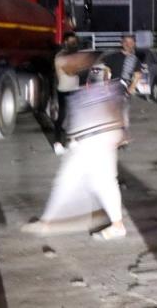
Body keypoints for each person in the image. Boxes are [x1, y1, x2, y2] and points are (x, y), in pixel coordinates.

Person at [22, 63, 128, 240]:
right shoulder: (94, 92)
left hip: (97, 142)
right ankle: (47, 222)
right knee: (75, 181)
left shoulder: (108, 92)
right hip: (89, 143)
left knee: (90, 183)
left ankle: (116, 226)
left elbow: (117, 118)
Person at [100, 34, 142, 138]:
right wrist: (106, 87)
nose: (129, 45)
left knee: (124, 114)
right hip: (113, 88)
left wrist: (131, 88)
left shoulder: (134, 59)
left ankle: (123, 137)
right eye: (126, 42)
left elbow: (137, 75)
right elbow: (107, 72)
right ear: (122, 43)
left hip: (125, 91)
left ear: (134, 44)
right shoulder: (113, 57)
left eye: (131, 42)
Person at [52, 32, 82, 155]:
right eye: (70, 42)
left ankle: (72, 140)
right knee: (62, 116)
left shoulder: (74, 55)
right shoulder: (60, 56)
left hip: (75, 88)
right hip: (64, 89)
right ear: (65, 42)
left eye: (74, 42)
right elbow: (71, 72)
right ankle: (58, 143)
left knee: (74, 116)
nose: (73, 44)